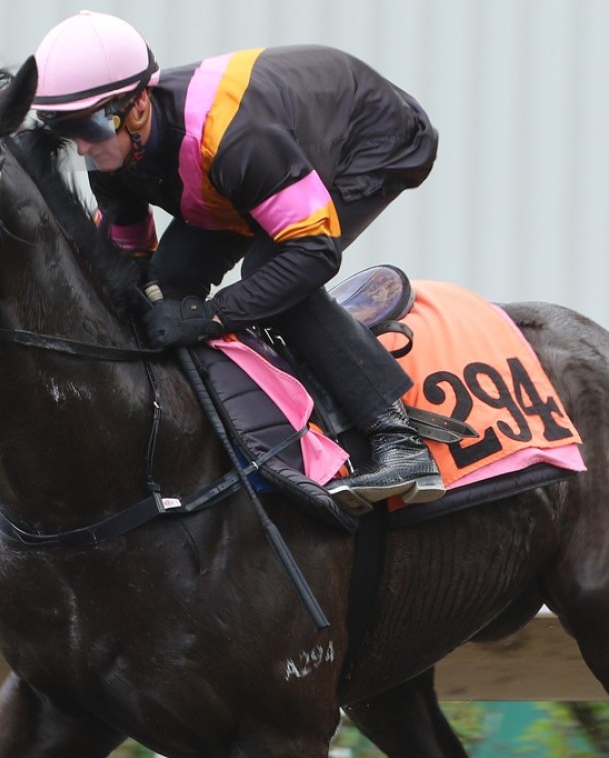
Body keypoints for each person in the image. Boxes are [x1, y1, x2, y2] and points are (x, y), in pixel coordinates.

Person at [30, 10, 443, 509]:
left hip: (369, 136)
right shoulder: (112, 155)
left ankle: (398, 441)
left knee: (272, 274)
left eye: (88, 126)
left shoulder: (235, 139)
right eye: (62, 130)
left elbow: (313, 254)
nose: (81, 145)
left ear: (138, 105)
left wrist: (212, 315)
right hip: (241, 171)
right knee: (167, 283)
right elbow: (132, 262)